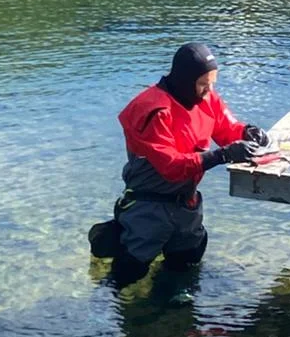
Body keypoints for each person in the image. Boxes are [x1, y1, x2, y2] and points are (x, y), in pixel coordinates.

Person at [91, 43, 269, 286]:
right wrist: (221, 156)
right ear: (185, 80)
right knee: (131, 270)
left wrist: (247, 132)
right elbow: (171, 167)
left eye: (212, 83)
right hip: (151, 203)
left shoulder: (206, 98)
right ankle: (114, 307)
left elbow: (226, 128)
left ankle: (173, 306)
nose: (209, 90)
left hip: (185, 202)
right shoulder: (153, 109)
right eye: (203, 83)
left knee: (188, 258)